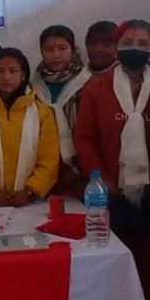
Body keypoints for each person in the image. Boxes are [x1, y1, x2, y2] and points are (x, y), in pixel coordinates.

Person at [74, 19, 150, 300]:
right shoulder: (97, 88)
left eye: (143, 42)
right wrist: (101, 178)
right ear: (118, 46)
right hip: (111, 193)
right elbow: (84, 138)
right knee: (112, 267)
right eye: (128, 41)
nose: (135, 48)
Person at [0, 47, 59, 207]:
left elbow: (49, 160)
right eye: (0, 71)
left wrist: (30, 191)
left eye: (13, 71)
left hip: (30, 203)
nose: (6, 77)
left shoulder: (42, 113)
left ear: (23, 75)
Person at [32, 25, 90, 196]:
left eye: (62, 48)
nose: (56, 55)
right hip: (44, 165)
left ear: (72, 49)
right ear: (41, 52)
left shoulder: (88, 82)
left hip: (83, 164)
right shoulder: (33, 87)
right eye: (49, 49)